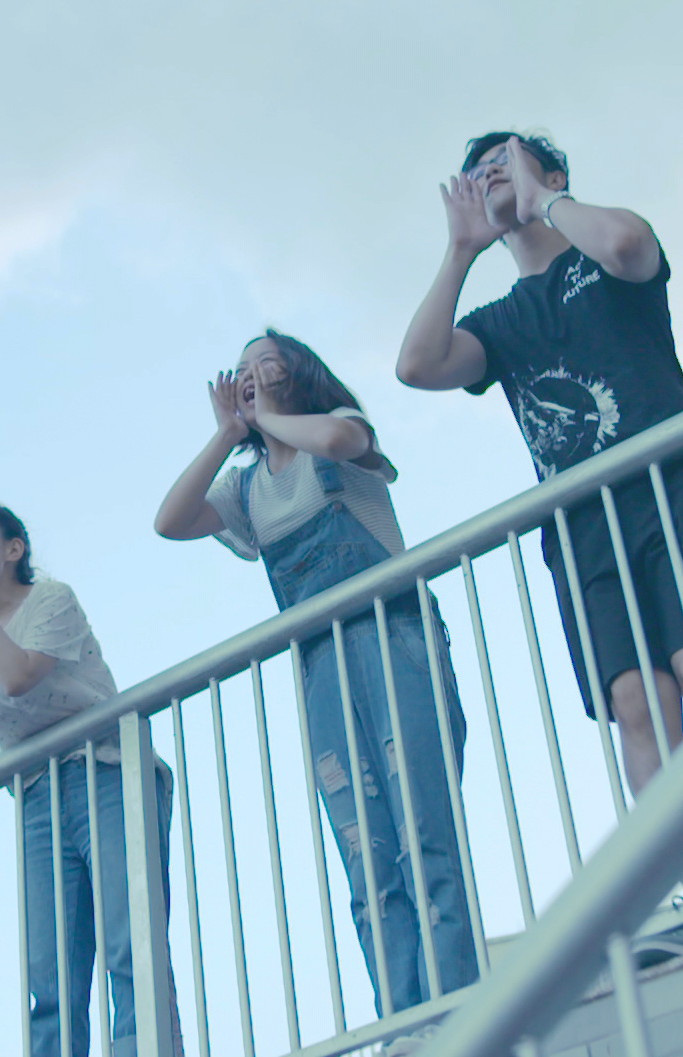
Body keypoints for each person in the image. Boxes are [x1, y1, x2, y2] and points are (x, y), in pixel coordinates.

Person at [394, 132, 683, 962]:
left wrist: (543, 199)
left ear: (551, 171)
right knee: (637, 702)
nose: (491, 177)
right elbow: (418, 365)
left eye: (505, 162)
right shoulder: (498, 322)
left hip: (678, 486)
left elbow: (631, 245)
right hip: (584, 526)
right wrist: (461, 251)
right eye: (479, 173)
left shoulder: (601, 252)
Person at [153, 330, 478, 1035]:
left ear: (297, 370)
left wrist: (266, 417)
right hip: (322, 669)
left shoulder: (339, 432)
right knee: (366, 855)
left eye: (263, 362)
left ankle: (460, 1013)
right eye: (240, 368)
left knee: (425, 833)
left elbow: (337, 438)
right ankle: (406, 1026)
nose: (248, 374)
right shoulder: (246, 488)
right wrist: (226, 437)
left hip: (394, 637)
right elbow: (170, 522)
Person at [0, 500, 173, 1057]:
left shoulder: (50, 599)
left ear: (13, 548)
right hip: (38, 798)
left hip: (107, 772)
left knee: (130, 943)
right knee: (50, 975)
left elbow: (18, 676)